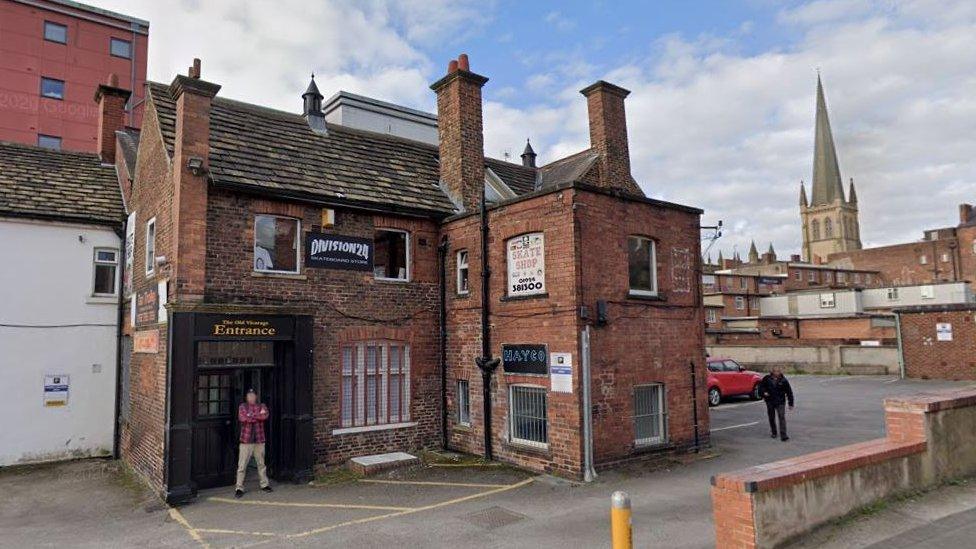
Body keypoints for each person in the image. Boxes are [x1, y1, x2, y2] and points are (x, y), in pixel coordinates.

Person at [235, 389, 272, 498]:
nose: (251, 397)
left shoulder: (262, 405)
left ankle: (264, 484)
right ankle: (239, 487)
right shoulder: (242, 406)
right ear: (246, 397)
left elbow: (265, 416)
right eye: (249, 395)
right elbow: (242, 418)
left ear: (256, 396)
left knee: (261, 463)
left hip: (259, 439)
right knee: (242, 465)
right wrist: (256, 416)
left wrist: (251, 415)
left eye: (253, 395)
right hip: (246, 441)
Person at [760, 367, 794, 441]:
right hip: (770, 401)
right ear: (772, 372)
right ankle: (774, 432)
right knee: (771, 417)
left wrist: (791, 403)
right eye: (775, 371)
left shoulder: (784, 380)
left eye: (778, 371)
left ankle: (783, 435)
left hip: (780, 402)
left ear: (780, 372)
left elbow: (789, 392)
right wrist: (763, 393)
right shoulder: (767, 378)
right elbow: (761, 387)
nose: (777, 373)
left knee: (781, 417)